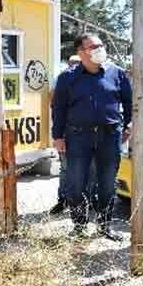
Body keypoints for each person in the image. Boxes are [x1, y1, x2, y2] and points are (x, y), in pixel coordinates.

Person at [52, 33, 132, 240]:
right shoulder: (67, 77)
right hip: (78, 137)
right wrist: (57, 137)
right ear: (81, 52)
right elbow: (58, 109)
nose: (99, 49)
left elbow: (129, 102)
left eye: (101, 45)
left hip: (110, 137)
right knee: (76, 183)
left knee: (107, 184)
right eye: (93, 46)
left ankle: (105, 226)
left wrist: (129, 125)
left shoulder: (117, 73)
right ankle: (79, 226)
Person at [50, 55, 83, 215]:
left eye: (77, 64)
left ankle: (83, 202)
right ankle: (63, 200)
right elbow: (56, 111)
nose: (74, 68)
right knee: (65, 168)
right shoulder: (61, 82)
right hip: (66, 133)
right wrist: (58, 136)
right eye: (72, 64)